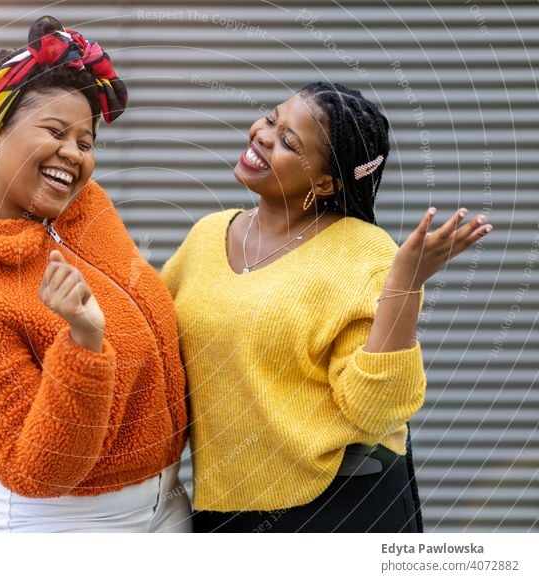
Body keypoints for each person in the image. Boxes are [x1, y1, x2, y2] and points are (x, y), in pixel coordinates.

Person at [161, 81, 493, 533]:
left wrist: (404, 284)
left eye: (287, 141)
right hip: (225, 506)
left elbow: (375, 411)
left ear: (324, 182)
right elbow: (151, 345)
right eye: (272, 118)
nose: (262, 134)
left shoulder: (366, 254)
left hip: (339, 505)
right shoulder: (207, 234)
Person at [0, 16, 189, 533]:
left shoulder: (87, 210)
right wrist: (84, 342)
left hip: (169, 497)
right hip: (65, 523)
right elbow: (35, 470)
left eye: (86, 142)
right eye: (55, 132)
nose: (75, 153)